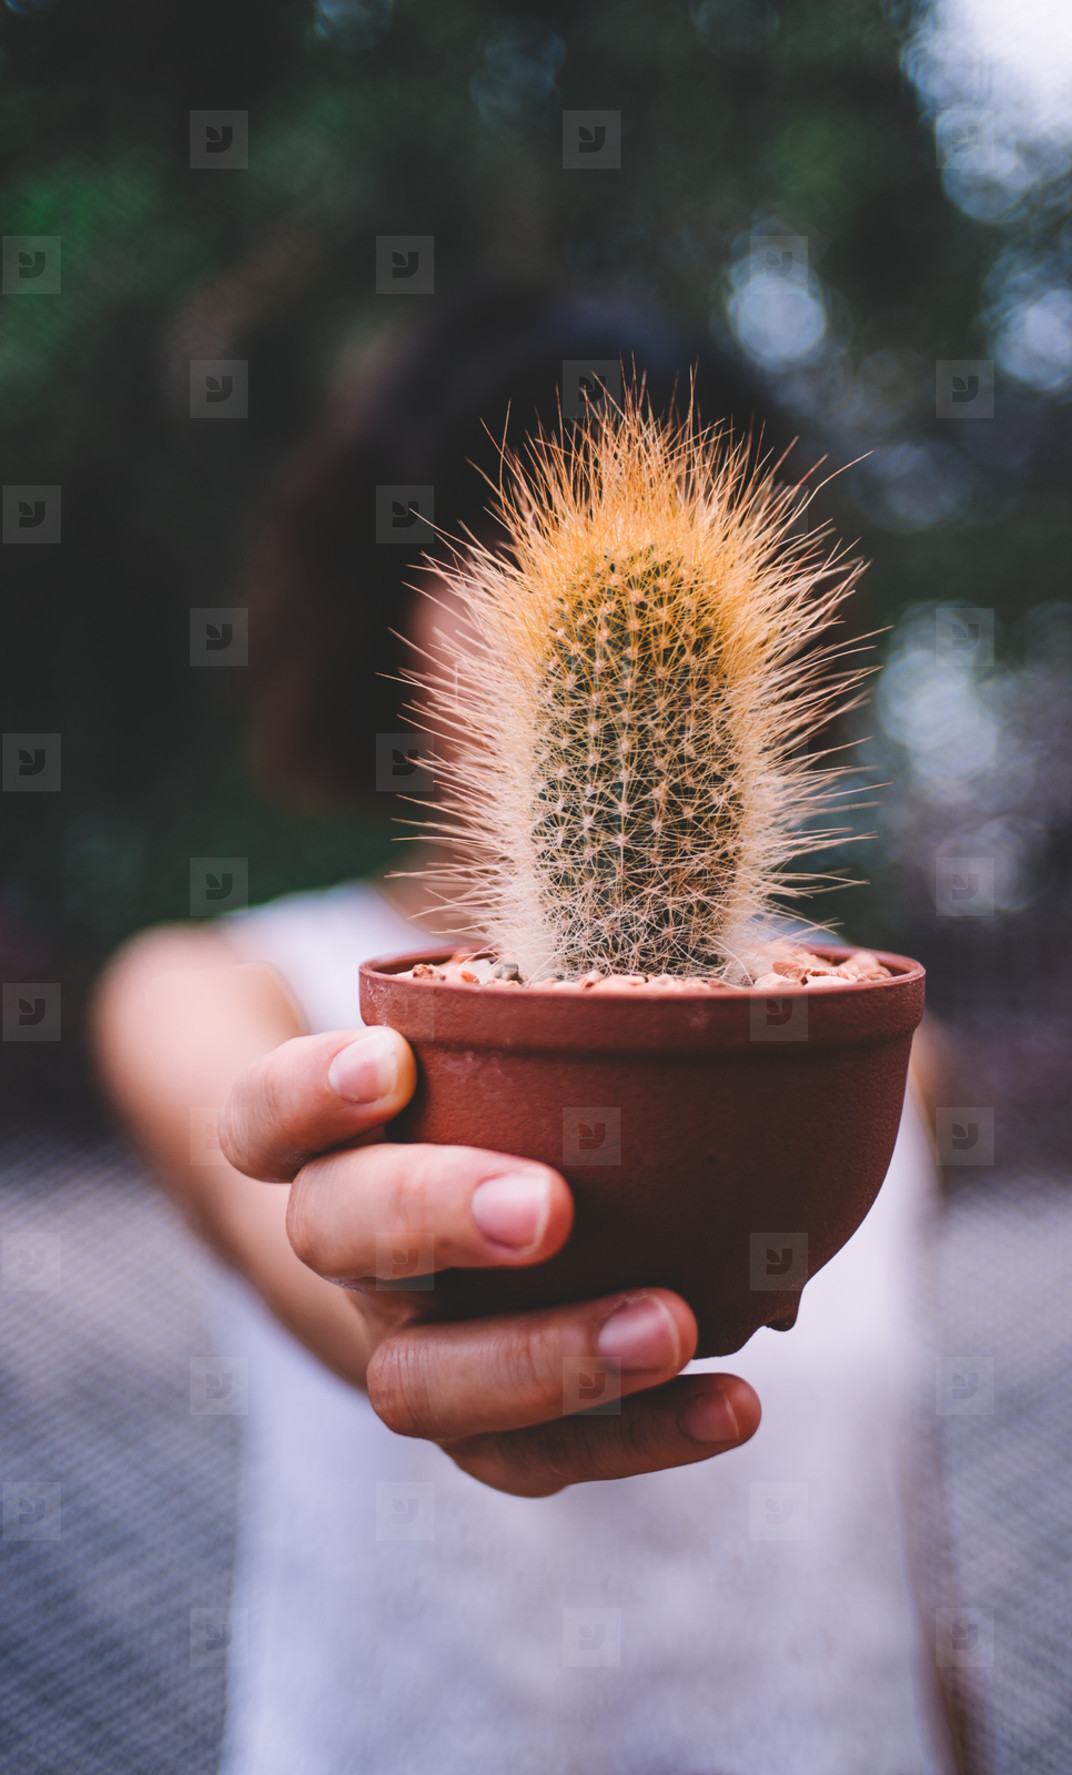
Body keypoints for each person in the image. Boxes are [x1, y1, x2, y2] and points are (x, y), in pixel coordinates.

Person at [93, 282, 953, 1774]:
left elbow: (901, 1511)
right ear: (391, 607)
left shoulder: (864, 1034)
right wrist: (389, 1289)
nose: (593, 582)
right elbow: (282, 1195)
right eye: (493, 542)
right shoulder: (209, 990)